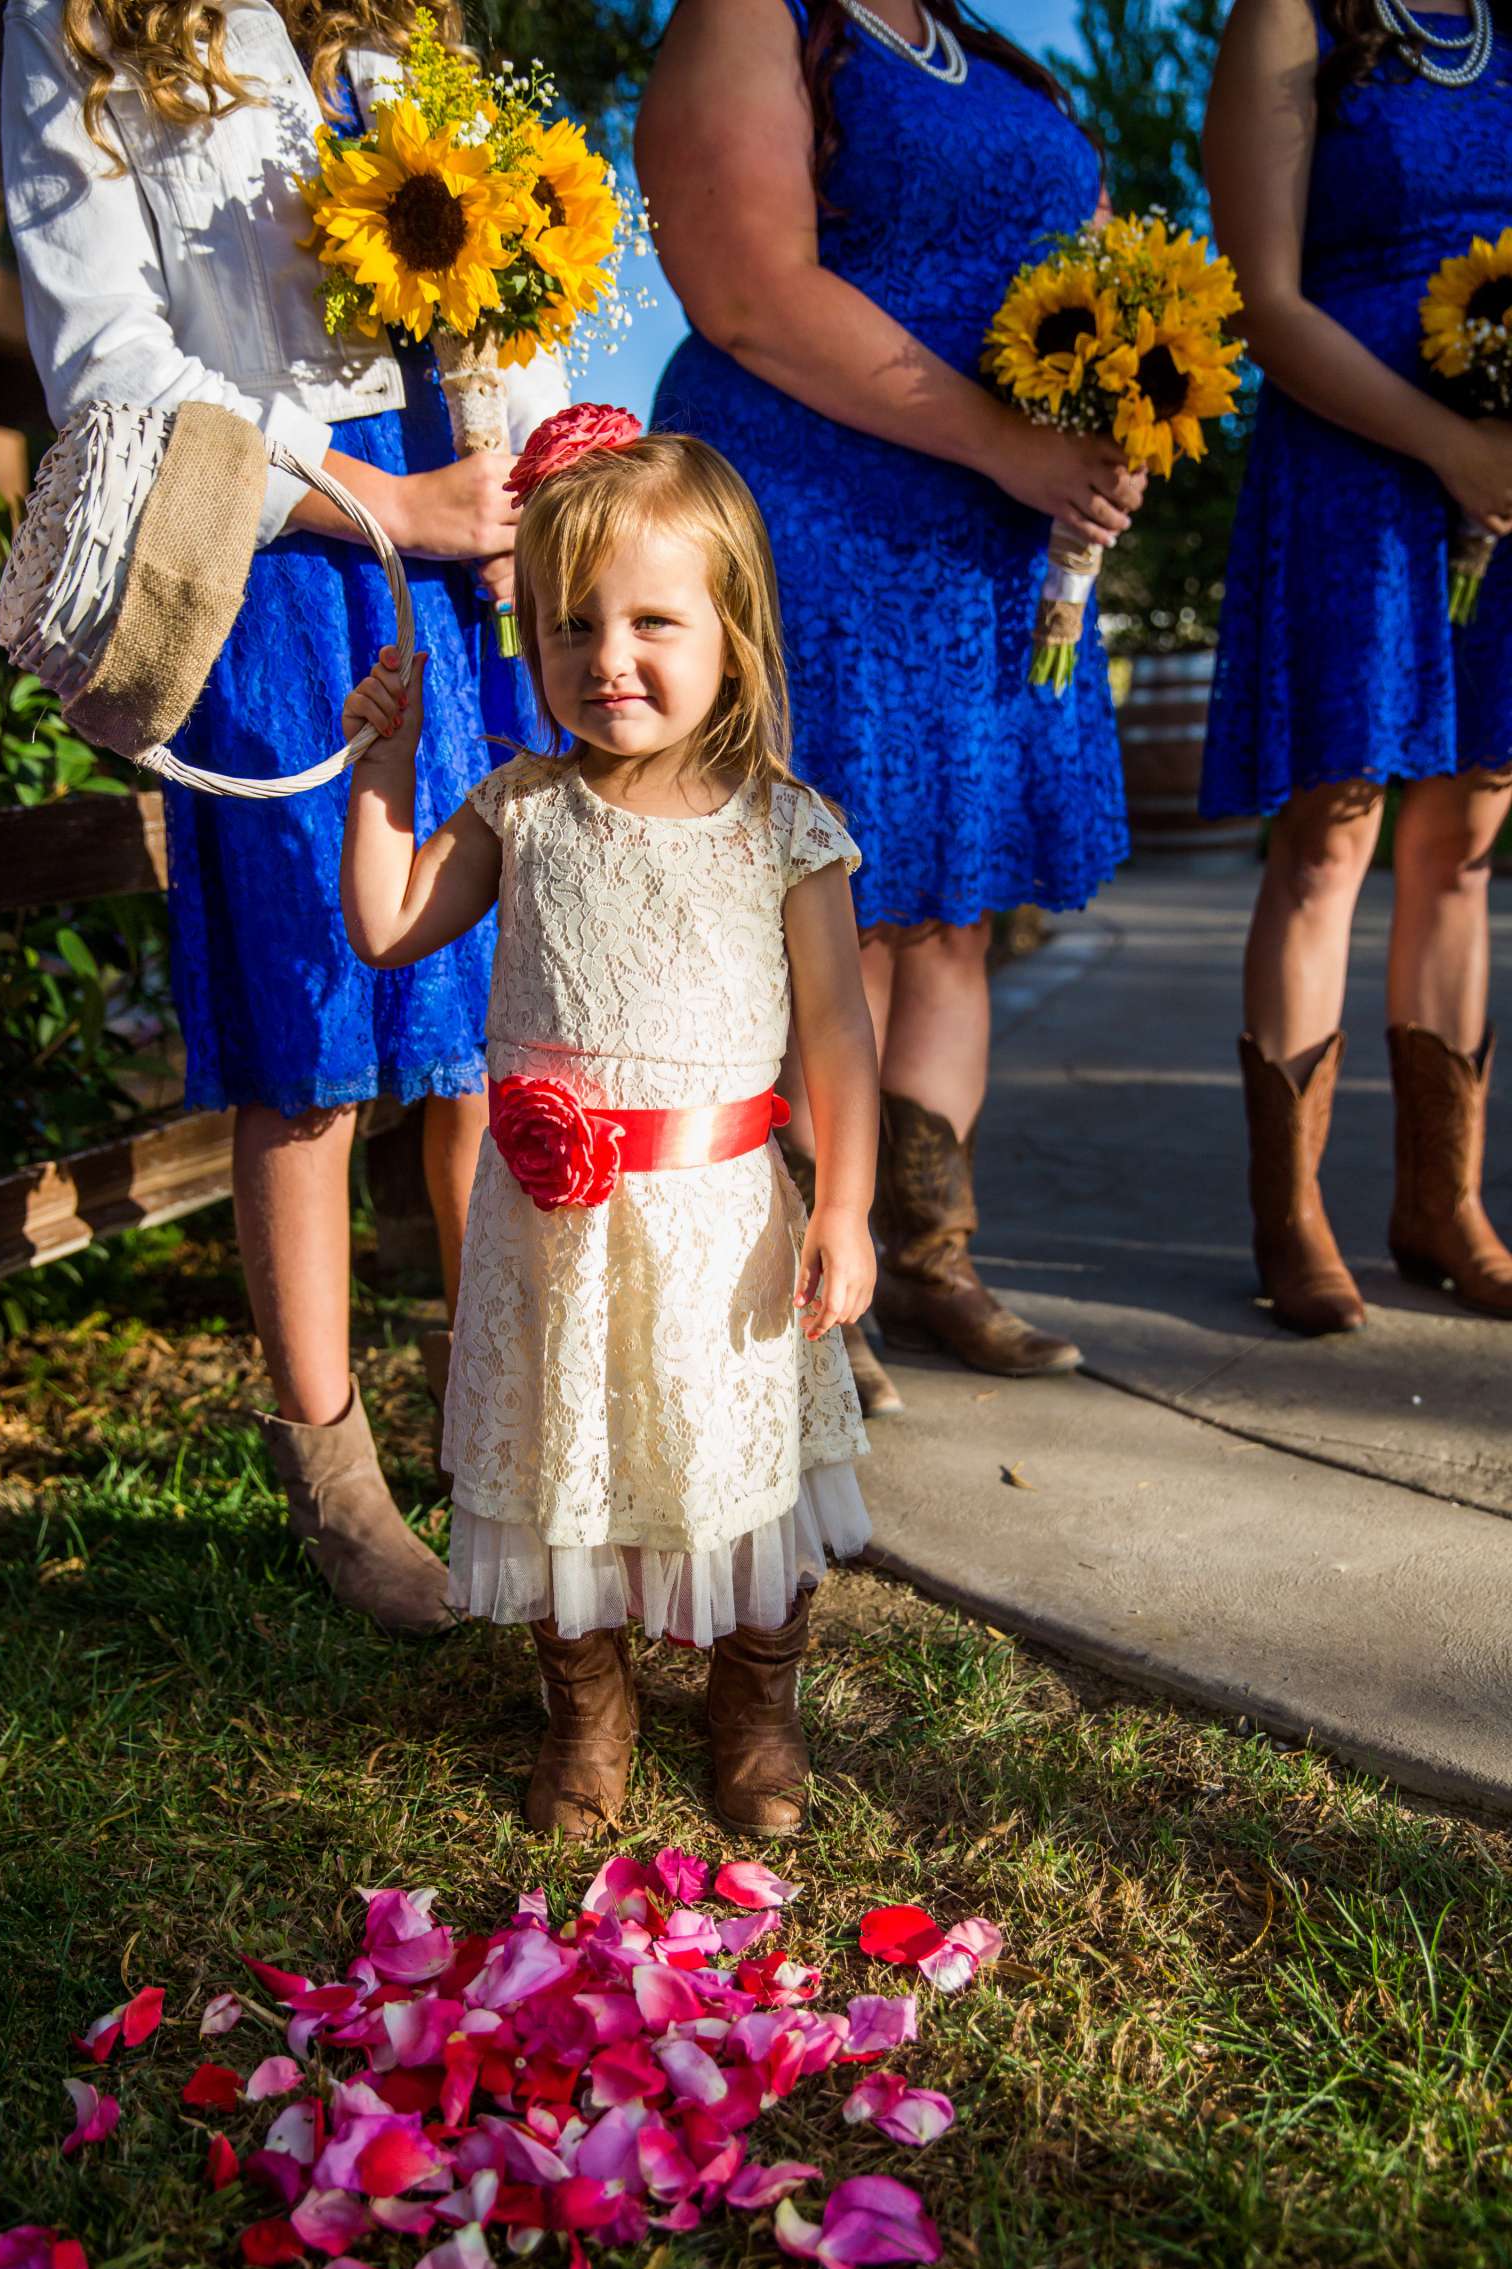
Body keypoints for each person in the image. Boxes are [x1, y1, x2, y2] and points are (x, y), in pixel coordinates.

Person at [3, 0, 560, 1629]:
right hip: (264, 541)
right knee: (310, 1016)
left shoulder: (398, 20)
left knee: (474, 1005)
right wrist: (386, 502)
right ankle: (333, 1477)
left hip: (462, 549)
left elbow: (500, 286)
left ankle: (498, 1422)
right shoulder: (83, 19)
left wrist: (510, 487)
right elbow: (107, 356)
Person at [339, 408, 876, 1836]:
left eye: (651, 621)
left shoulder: (786, 825)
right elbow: (390, 926)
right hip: (556, 1234)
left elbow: (839, 1033)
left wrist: (847, 1206)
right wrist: (383, 776)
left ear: (731, 639)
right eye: (571, 626)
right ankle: (588, 1708)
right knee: (564, 1459)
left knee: (739, 1449)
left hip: (724, 1234)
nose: (608, 658)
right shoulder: (521, 811)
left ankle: (755, 1699)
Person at [638, 0, 1147, 1411]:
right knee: (833, 912)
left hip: (990, 540)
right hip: (820, 512)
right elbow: (745, 292)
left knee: (951, 915)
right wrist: (1011, 445)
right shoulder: (758, 17)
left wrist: (1117, 418)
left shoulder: (988, 52)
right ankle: (811, 1271)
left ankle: (929, 1252)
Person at [1201, 0, 1512, 1333]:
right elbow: (1263, 303)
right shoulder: (1292, 14)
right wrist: (1450, 446)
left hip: (1508, 469)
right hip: (1352, 460)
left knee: (1469, 839)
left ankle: (1442, 1202)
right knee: (1334, 836)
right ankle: (1296, 1213)